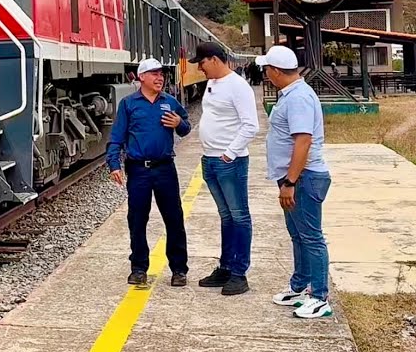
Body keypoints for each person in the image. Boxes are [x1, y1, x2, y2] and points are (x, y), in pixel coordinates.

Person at [258, 45, 333, 319]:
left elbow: (303, 141)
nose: (265, 74)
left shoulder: (298, 98)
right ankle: (300, 285)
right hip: (295, 178)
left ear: (276, 71)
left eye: (267, 69)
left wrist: (290, 181)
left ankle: (319, 297)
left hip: (304, 178)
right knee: (298, 235)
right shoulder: (290, 94)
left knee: (311, 237)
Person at [107, 58, 192, 287]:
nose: (160, 78)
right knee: (137, 219)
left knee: (174, 218)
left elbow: (186, 127)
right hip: (138, 171)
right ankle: (138, 268)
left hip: (165, 168)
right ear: (141, 77)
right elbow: (117, 136)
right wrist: (114, 164)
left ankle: (178, 269)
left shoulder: (170, 102)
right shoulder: (128, 104)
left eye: (162, 74)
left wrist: (179, 124)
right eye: (154, 74)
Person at [191, 42, 260, 296]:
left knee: (239, 216)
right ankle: (226, 266)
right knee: (226, 216)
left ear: (215, 59)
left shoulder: (238, 86)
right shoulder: (212, 84)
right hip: (210, 160)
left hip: (230, 162)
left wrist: (230, 153)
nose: (199, 67)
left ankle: (239, 273)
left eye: (202, 62)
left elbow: (250, 125)